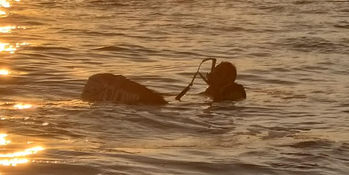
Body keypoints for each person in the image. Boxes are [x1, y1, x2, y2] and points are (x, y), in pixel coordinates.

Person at [81, 59, 246, 105]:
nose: (210, 75)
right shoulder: (211, 91)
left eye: (216, 74)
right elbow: (200, 99)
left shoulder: (235, 90)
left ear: (227, 79)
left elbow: (223, 104)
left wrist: (216, 89)